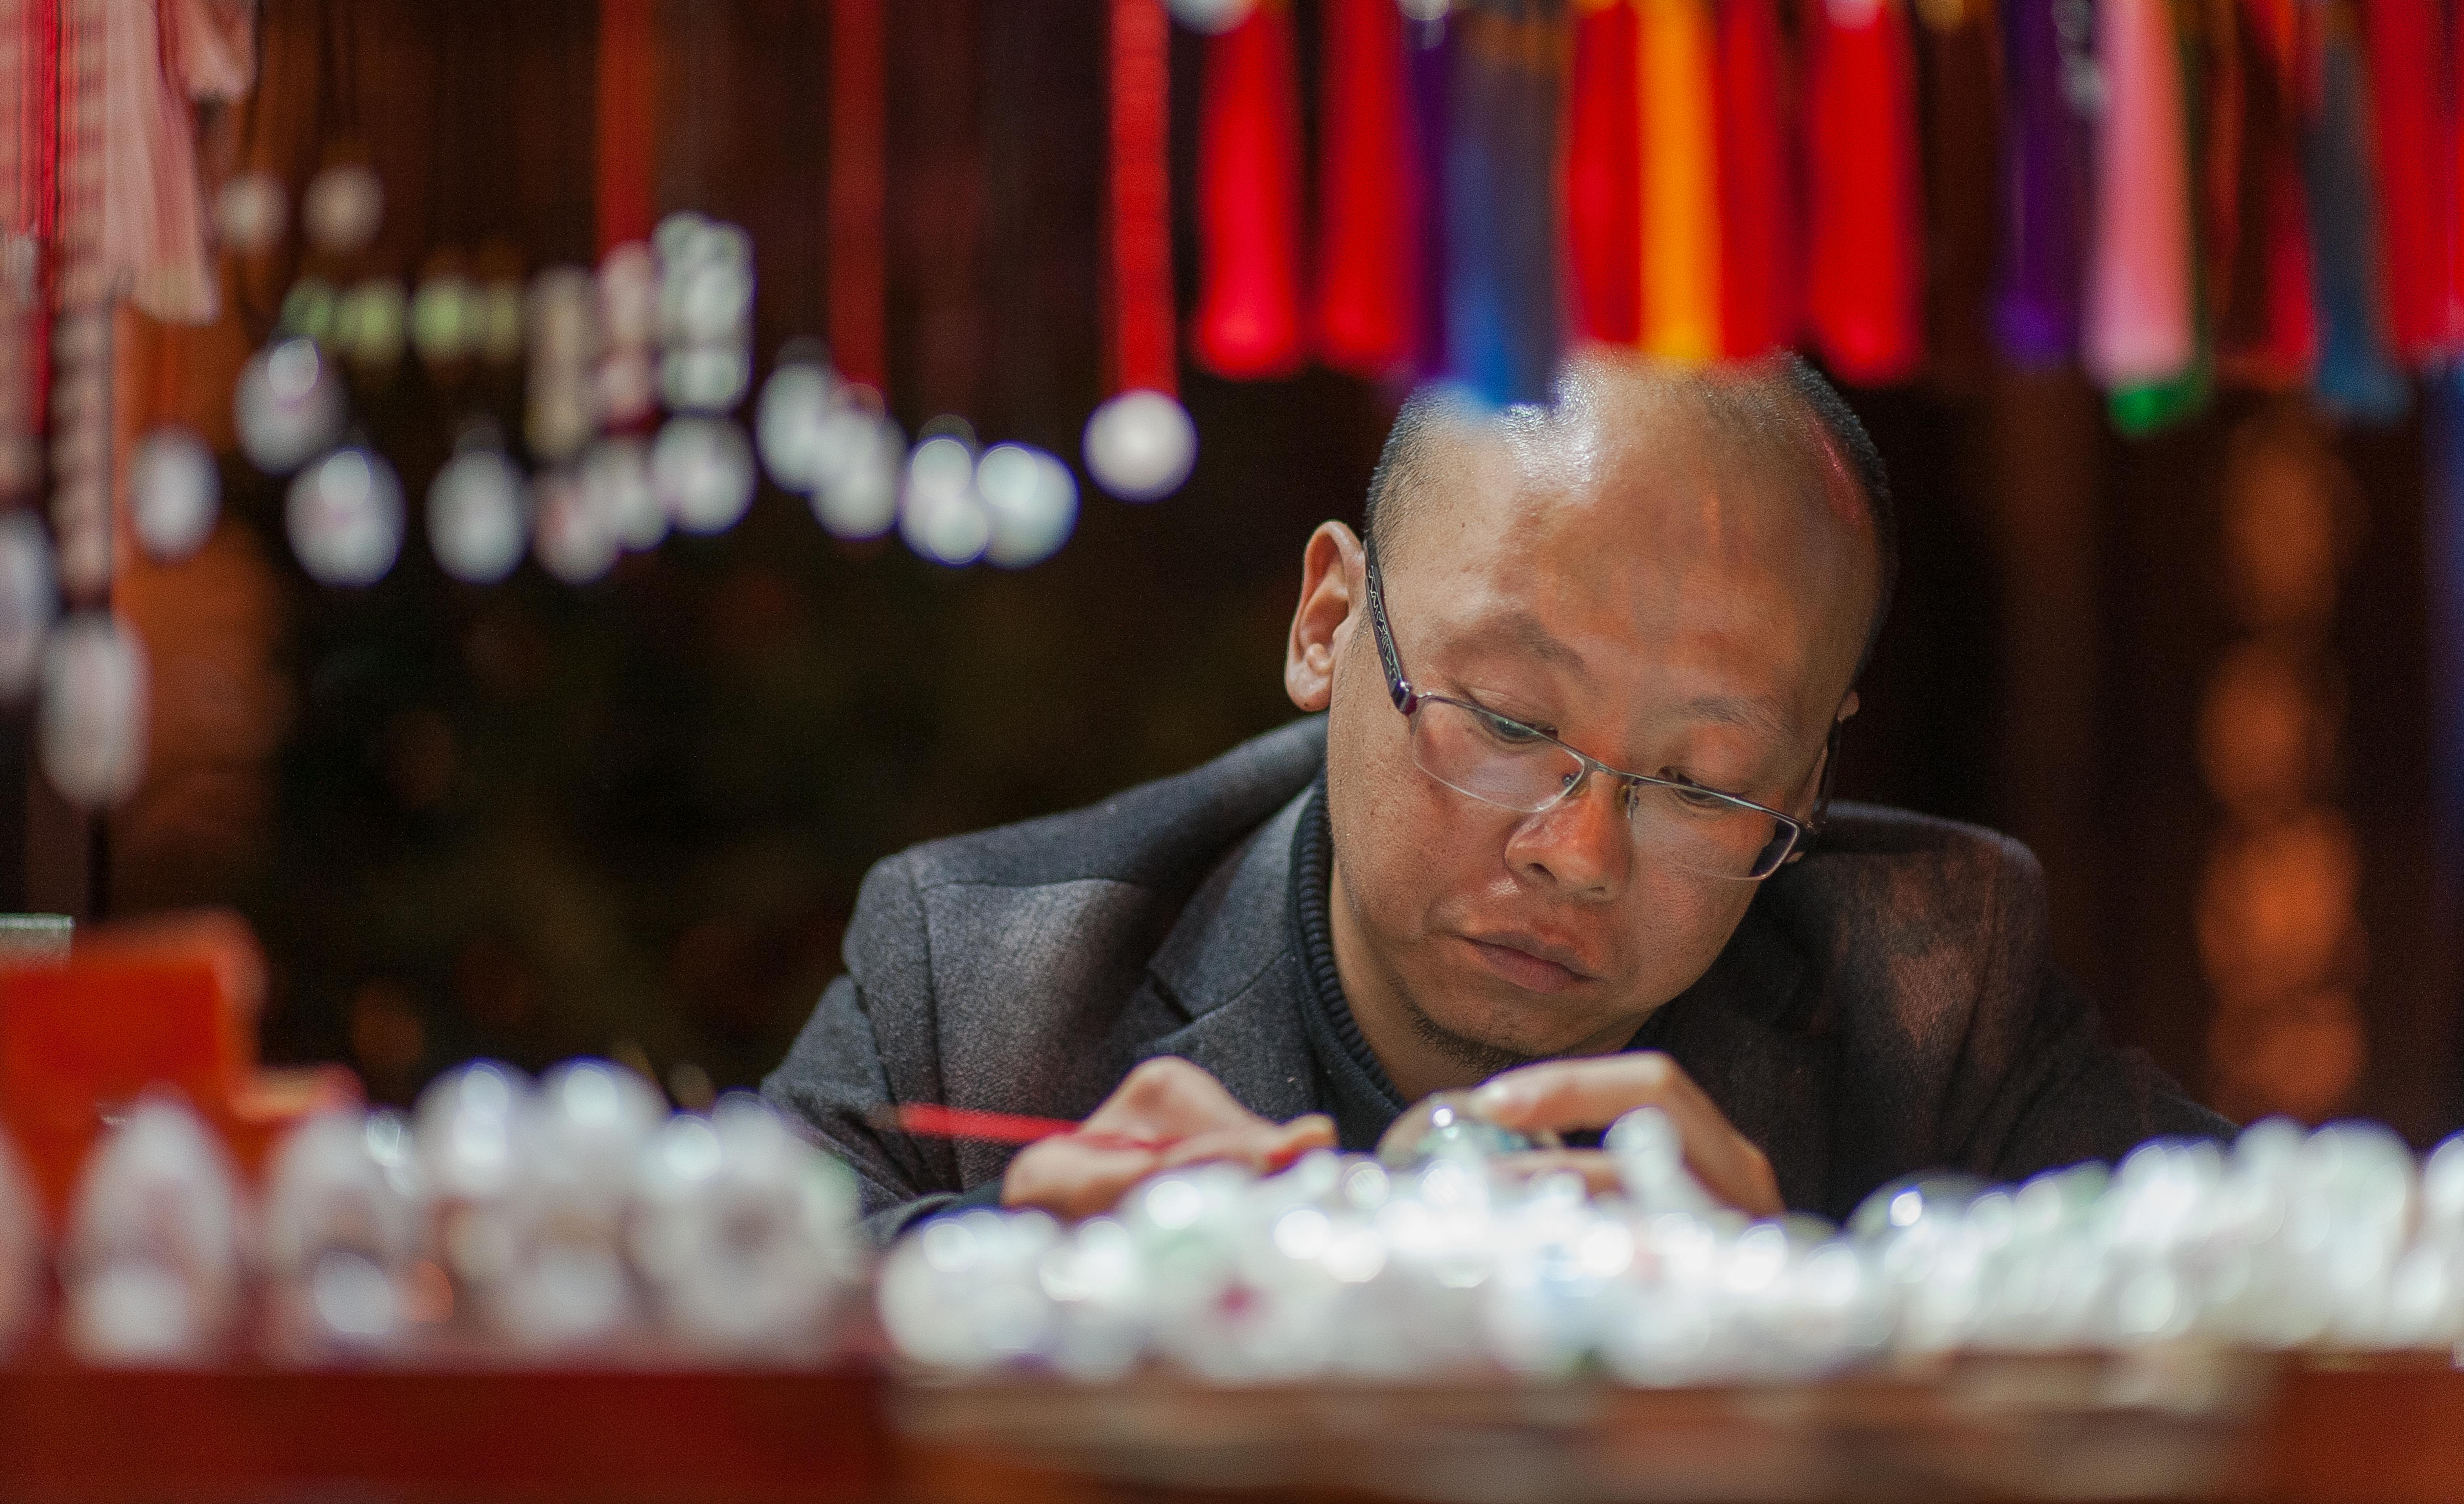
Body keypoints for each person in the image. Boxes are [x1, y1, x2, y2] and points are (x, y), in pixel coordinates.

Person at [764, 352, 2232, 1241]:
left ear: (1813, 770)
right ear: (1328, 620)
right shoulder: (986, 973)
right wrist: (1018, 1289)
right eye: (1512, 718)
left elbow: (2302, 1314)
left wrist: (1798, 1344)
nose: (1578, 851)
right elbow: (699, 1344)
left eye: (1705, 781)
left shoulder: (1929, 987)